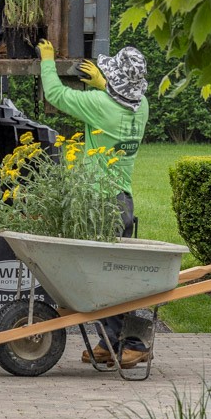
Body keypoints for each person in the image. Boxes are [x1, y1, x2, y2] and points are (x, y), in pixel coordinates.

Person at [37, 40, 151, 369]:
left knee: (109, 278)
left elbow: (56, 95)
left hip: (101, 204)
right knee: (114, 273)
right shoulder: (141, 106)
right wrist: (106, 85)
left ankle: (132, 343)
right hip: (123, 201)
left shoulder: (101, 106)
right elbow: (128, 97)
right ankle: (109, 341)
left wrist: (47, 60)